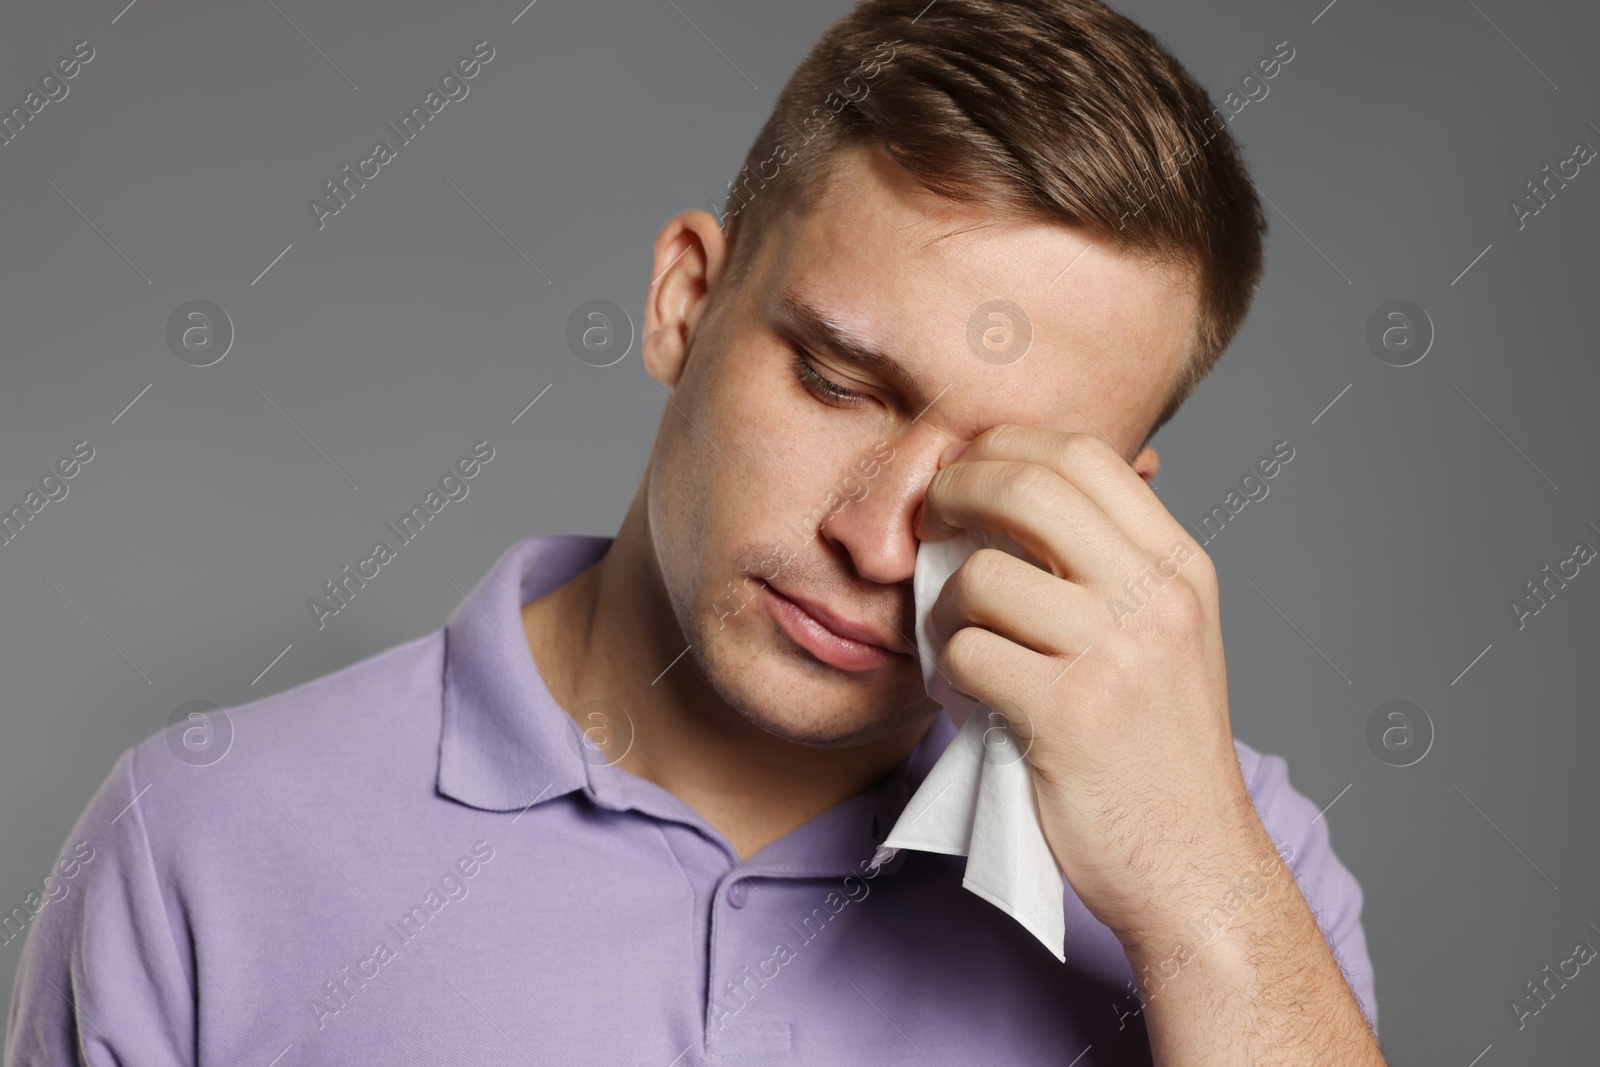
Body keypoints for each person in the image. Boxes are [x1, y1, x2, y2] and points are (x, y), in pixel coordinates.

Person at [6, 0, 1384, 1063]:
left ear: (1119, 511)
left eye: (1011, 475)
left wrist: (1201, 890)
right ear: (684, 301)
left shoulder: (1244, 854)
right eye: (841, 384)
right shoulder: (200, 841)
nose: (885, 541)